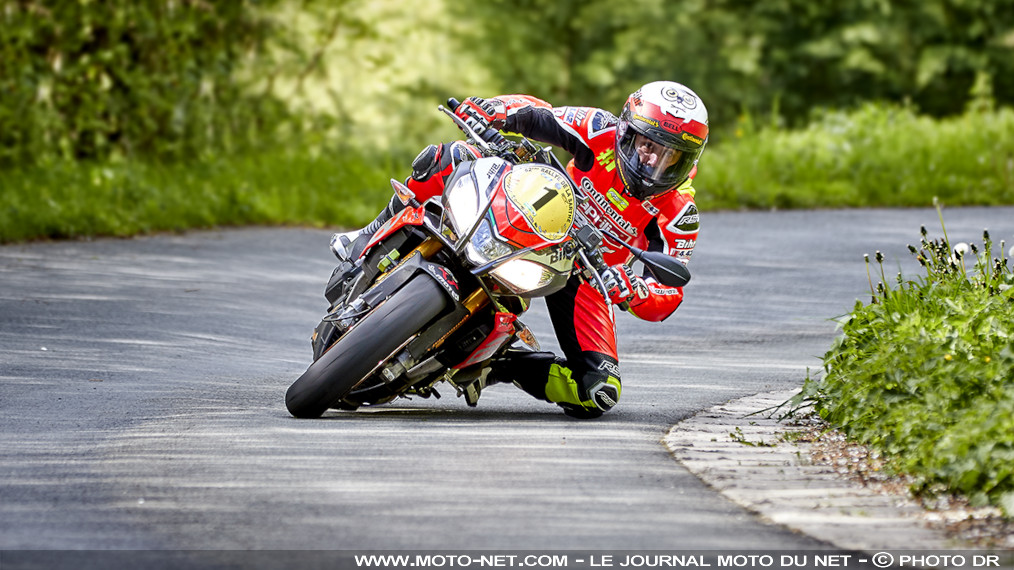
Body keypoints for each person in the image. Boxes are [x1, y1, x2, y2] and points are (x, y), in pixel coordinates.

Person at [336, 81, 709, 418]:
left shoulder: (680, 213)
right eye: (648, 146)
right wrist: (494, 110)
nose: (653, 163)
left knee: (598, 391)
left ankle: (503, 361)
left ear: (688, 161)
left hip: (584, 273)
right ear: (627, 132)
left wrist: (635, 289)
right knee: (453, 155)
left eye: (670, 157)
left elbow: (670, 290)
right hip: (532, 205)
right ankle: (367, 236)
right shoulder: (599, 129)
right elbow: (538, 114)